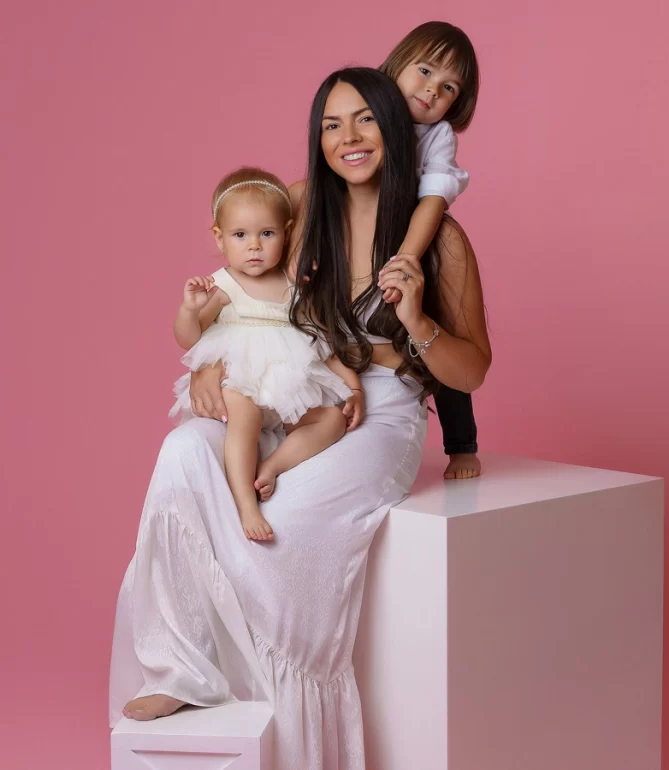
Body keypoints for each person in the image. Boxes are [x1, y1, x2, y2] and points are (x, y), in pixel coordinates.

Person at [110, 67, 491, 770]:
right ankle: (181, 670)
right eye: (331, 124)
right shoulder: (300, 204)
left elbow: (473, 370)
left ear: (397, 131)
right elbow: (242, 278)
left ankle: (290, 731)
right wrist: (208, 361)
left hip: (380, 406)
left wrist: (416, 317)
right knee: (183, 453)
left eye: (365, 121)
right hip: (290, 379)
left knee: (288, 522)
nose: (348, 138)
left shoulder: (440, 240)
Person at [170, 166, 362, 541]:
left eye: (267, 234)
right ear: (220, 239)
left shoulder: (295, 287)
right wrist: (189, 310)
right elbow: (189, 338)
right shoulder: (224, 284)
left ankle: (272, 466)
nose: (254, 245)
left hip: (287, 386)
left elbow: (321, 344)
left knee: (332, 421)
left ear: (287, 233)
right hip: (240, 378)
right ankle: (245, 502)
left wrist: (353, 388)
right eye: (241, 235)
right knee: (243, 414)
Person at [383, 20, 483, 480]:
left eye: (448, 87)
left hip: (413, 240)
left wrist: (406, 258)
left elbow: (435, 199)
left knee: (435, 338)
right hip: (361, 236)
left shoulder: (437, 135)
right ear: (398, 62)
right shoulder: (366, 112)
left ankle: (462, 444)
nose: (431, 90)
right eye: (424, 71)